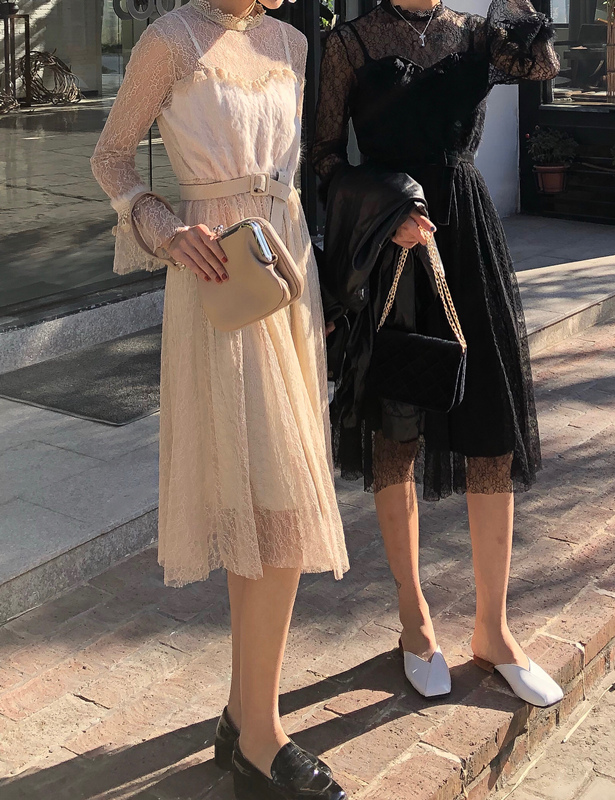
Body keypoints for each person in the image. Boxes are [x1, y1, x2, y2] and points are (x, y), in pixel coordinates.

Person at [91, 1, 349, 797]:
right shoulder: (170, 41)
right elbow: (111, 159)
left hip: (284, 268)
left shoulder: (292, 43)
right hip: (218, 277)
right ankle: (261, 738)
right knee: (271, 492)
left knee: (278, 499)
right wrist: (164, 229)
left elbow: (293, 174)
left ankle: (245, 720)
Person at [313, 0, 564, 706]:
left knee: (491, 432)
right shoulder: (349, 43)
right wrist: (384, 210)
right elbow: (323, 159)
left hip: (468, 240)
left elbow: (541, 63)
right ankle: (415, 620)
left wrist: (516, 15)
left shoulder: (475, 33)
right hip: (394, 246)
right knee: (396, 433)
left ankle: (494, 631)